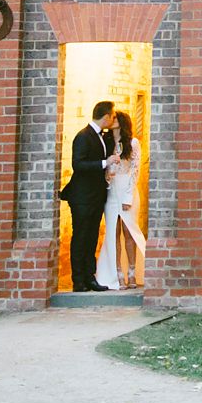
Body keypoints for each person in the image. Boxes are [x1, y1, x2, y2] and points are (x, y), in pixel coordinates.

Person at [59, 100, 116, 292]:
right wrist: (104, 163)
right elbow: (78, 165)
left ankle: (90, 278)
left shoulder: (102, 137)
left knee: (92, 237)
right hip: (82, 197)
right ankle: (78, 281)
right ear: (106, 117)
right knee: (81, 237)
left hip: (97, 196)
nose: (113, 119)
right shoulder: (83, 136)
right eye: (113, 116)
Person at [95, 109, 146, 290]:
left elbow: (135, 170)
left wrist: (128, 195)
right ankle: (117, 274)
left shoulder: (133, 143)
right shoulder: (107, 142)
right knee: (113, 231)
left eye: (115, 118)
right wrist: (107, 177)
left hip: (126, 189)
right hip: (111, 190)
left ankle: (132, 272)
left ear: (122, 122)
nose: (111, 120)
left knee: (128, 230)